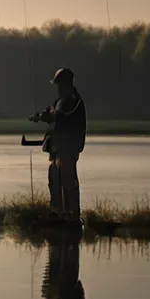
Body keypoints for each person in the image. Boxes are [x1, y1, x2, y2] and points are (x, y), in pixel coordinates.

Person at [29, 67, 87, 222]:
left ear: (65, 84)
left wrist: (46, 116)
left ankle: (72, 216)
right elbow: (54, 114)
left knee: (68, 183)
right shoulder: (61, 101)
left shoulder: (74, 101)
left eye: (59, 85)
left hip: (67, 150)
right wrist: (41, 116)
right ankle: (56, 214)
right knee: (54, 181)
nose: (57, 88)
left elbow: (61, 117)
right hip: (56, 149)